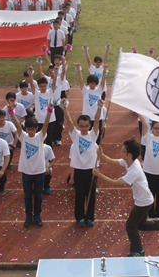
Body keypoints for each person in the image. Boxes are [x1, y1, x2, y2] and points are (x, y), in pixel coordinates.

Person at [93, 139, 159, 257]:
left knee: (130, 226)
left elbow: (116, 183)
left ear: (130, 155)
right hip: (145, 200)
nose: (121, 153)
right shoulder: (129, 161)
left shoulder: (134, 170)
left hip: (143, 203)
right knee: (142, 225)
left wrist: (98, 175)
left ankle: (138, 251)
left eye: (123, 151)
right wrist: (101, 155)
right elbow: (111, 161)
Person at [10, 101, 53, 228]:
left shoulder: (40, 137)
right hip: (27, 172)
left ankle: (37, 215)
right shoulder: (23, 137)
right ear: (25, 129)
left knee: (39, 195)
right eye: (28, 129)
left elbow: (45, 124)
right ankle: (29, 216)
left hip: (39, 172)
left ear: (36, 129)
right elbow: (17, 125)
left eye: (33, 129)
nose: (30, 131)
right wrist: (12, 112)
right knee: (27, 195)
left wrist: (49, 111)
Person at [63, 97, 104, 227]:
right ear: (78, 125)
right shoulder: (75, 135)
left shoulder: (93, 135)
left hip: (92, 171)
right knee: (80, 196)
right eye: (81, 126)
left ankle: (90, 217)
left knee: (91, 196)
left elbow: (97, 120)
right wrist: (64, 108)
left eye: (86, 126)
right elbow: (69, 121)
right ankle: (80, 217)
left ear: (90, 126)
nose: (84, 128)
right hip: (79, 171)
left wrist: (99, 107)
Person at [76, 62, 108, 145]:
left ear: (96, 83)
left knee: (97, 136)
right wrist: (78, 69)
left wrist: (104, 70)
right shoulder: (85, 90)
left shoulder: (99, 90)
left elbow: (103, 80)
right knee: (86, 136)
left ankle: (96, 151)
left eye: (94, 83)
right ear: (88, 83)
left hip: (97, 117)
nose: (92, 84)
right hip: (87, 117)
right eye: (90, 83)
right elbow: (80, 80)